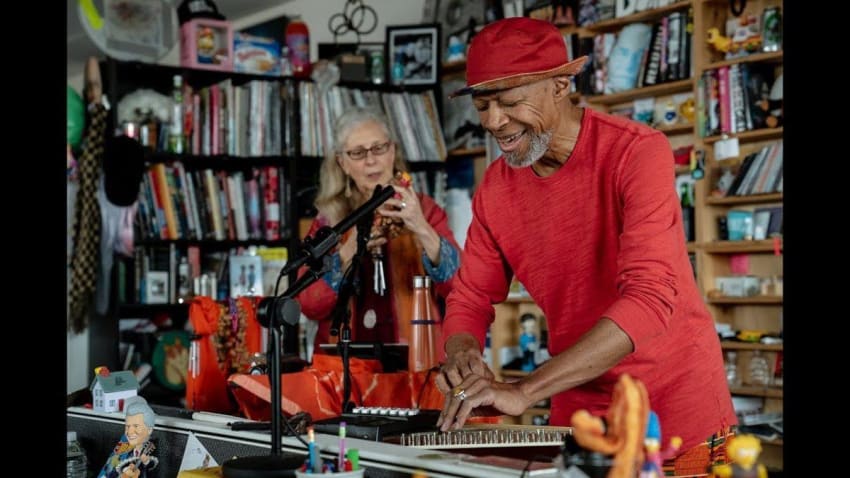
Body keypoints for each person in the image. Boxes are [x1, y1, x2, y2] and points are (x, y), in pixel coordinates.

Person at [434, 17, 736, 476]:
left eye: (511, 102)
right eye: (483, 105)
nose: (495, 122)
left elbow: (649, 299)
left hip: (677, 413)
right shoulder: (495, 190)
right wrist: (462, 355)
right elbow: (471, 297)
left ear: (560, 85)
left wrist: (524, 390)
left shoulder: (637, 153)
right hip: (579, 418)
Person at [297, 107, 461, 352]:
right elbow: (310, 305)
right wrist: (347, 252)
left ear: (392, 150)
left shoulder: (424, 209)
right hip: (343, 368)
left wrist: (421, 227)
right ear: (342, 163)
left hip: (415, 359)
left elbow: (461, 287)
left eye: (379, 148)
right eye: (357, 153)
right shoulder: (328, 221)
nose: (370, 160)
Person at [98, 396, 159, 477]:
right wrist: (124, 470)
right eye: (128, 425)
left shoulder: (148, 443)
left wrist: (146, 461)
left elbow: (150, 465)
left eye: (136, 425)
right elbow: (112, 464)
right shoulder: (125, 441)